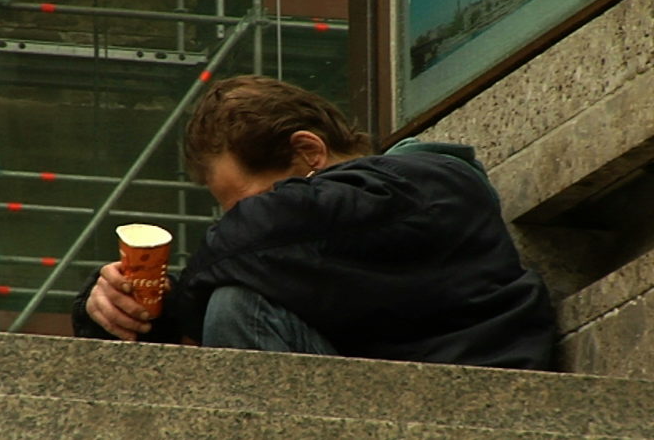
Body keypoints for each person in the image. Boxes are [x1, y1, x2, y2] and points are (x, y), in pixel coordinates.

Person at [72, 75, 556, 370]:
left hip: (465, 404)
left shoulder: (426, 183)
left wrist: (182, 306)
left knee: (237, 306)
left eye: (249, 204)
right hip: (380, 401)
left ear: (308, 153)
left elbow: (257, 239)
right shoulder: (312, 260)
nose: (239, 223)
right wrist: (125, 310)